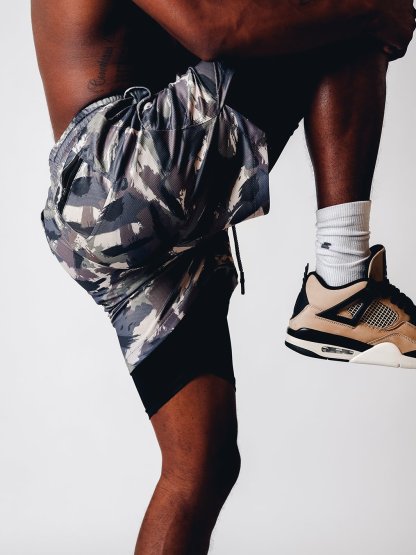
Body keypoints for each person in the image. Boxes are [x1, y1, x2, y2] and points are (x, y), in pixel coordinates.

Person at [32, 1, 415, 553]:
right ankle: (342, 281)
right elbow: (214, 29)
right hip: (119, 173)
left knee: (201, 466)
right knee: (351, 5)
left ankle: (341, 286)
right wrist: (369, 14)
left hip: (114, 214)